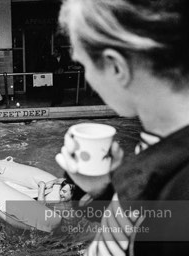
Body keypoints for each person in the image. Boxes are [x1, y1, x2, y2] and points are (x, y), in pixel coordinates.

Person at [57, 0, 189, 255]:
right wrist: (105, 189)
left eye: (83, 65)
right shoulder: (161, 142)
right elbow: (142, 224)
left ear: (116, 67)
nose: (87, 79)